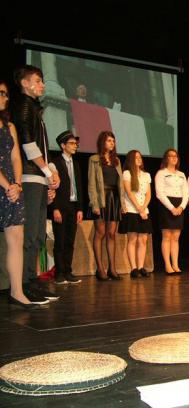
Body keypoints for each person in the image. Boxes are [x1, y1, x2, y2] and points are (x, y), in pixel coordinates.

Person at [12, 65, 60, 303]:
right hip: (30, 178)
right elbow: (27, 144)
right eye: (38, 81)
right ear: (25, 83)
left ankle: (32, 281)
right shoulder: (23, 105)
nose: (42, 85)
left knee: (39, 234)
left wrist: (50, 171)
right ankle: (22, 285)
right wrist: (46, 171)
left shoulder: (34, 108)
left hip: (39, 177)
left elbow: (40, 146)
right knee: (30, 234)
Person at [0, 80, 42, 309]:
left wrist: (16, 184)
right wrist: (8, 185)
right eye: (1, 93)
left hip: (12, 186)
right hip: (4, 185)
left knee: (16, 238)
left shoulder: (10, 126)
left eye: (7, 94)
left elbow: (16, 157)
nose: (5, 97)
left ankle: (17, 292)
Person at [88, 131, 125, 280]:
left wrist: (122, 203)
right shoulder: (94, 159)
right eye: (109, 140)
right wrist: (94, 203)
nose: (112, 143)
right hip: (101, 198)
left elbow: (120, 184)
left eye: (113, 141)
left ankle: (112, 269)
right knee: (100, 233)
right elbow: (91, 183)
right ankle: (100, 269)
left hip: (114, 198)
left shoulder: (117, 161)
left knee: (111, 234)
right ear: (102, 142)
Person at [50, 131, 83, 285]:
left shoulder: (76, 164)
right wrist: (55, 208)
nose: (75, 146)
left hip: (73, 206)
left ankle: (68, 271)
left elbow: (79, 187)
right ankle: (59, 273)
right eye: (71, 143)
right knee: (60, 240)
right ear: (63, 145)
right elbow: (52, 188)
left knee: (70, 240)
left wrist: (80, 209)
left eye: (76, 143)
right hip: (60, 206)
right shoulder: (55, 163)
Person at [119, 150, 153, 278]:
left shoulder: (146, 175)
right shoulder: (127, 173)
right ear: (130, 160)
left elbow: (148, 194)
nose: (139, 159)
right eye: (136, 157)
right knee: (132, 239)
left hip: (144, 210)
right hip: (131, 210)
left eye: (140, 157)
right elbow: (129, 193)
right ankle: (133, 268)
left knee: (143, 240)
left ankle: (141, 267)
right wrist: (139, 209)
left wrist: (143, 208)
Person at [155, 149, 188, 275]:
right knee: (167, 236)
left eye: (176, 156)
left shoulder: (181, 174)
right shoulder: (161, 173)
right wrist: (171, 208)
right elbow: (159, 193)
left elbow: (186, 193)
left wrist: (181, 207)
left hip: (179, 206)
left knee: (175, 237)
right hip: (166, 205)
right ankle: (167, 265)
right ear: (166, 158)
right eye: (171, 156)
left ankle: (175, 264)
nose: (174, 158)